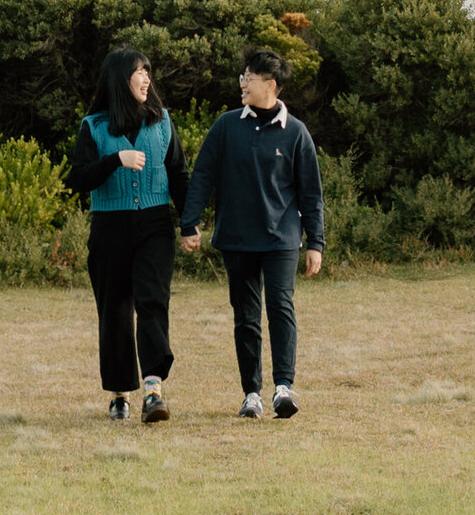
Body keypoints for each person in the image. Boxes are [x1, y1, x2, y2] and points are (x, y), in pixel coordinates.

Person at [179, 45, 324, 420]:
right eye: (242, 77)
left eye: (250, 78)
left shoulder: (296, 132)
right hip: (237, 238)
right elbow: (203, 175)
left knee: (280, 308)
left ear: (271, 85)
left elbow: (311, 192)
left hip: (282, 239)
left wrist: (316, 242)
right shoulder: (226, 126)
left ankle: (283, 388)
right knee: (245, 315)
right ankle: (251, 393)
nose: (242, 84)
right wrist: (189, 222)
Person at [67, 48, 189, 425]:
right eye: (140, 72)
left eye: (148, 72)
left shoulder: (163, 122)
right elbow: (76, 179)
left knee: (153, 302)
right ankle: (120, 394)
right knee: (115, 312)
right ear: (121, 79)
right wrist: (115, 160)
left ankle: (153, 390)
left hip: (155, 225)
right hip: (109, 228)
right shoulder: (93, 127)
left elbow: (180, 175)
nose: (147, 78)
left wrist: (190, 222)